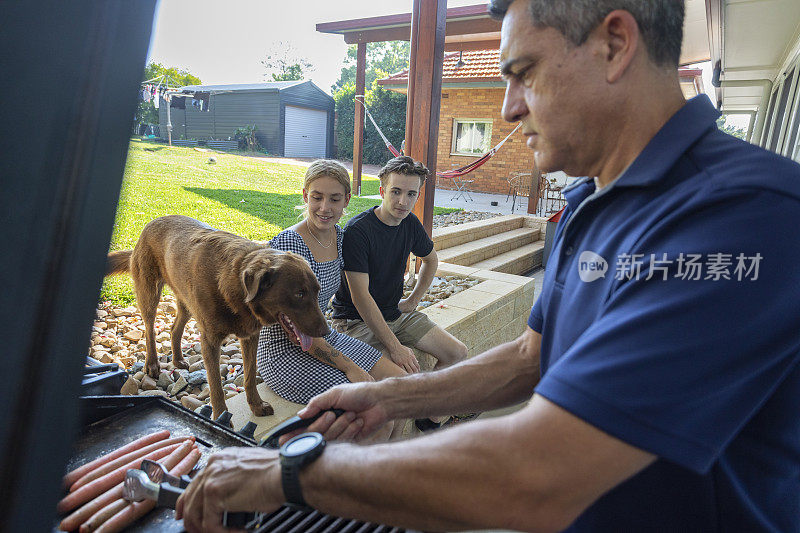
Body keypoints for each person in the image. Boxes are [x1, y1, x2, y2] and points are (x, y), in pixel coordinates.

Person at [177, 1, 800, 531]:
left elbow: (540, 473)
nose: (507, 109)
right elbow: (533, 357)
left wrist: (290, 472)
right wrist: (386, 397)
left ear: (615, 44)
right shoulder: (591, 203)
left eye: (524, 73)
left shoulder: (745, 217)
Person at [255, 160, 405, 411]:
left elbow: (361, 294)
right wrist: (350, 367)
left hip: (324, 336)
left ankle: (391, 450)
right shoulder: (291, 245)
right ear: (305, 196)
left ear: (346, 200)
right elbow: (296, 331)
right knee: (369, 401)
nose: (325, 208)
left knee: (401, 383)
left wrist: (394, 345)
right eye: (317, 197)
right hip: (286, 350)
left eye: (334, 199)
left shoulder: (340, 237)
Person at [330, 155, 468, 376]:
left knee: (458, 353)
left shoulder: (409, 223)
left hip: (394, 313)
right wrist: (395, 348)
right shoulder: (358, 231)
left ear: (417, 195)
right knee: (403, 378)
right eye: (396, 192)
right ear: (382, 191)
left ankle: (433, 409)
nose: (403, 201)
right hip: (356, 321)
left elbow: (431, 260)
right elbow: (360, 298)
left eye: (411, 194)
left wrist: (413, 300)